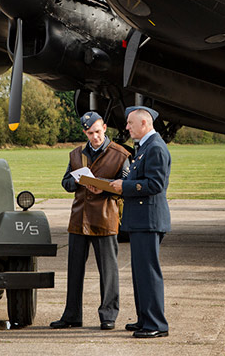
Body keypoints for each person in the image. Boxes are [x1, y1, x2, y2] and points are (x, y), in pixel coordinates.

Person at [50, 111, 130, 331]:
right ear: (85, 132)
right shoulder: (76, 154)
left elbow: (125, 186)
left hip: (105, 218)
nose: (94, 136)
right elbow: (65, 182)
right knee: (74, 271)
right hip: (78, 219)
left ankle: (108, 316)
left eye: (97, 131)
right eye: (90, 133)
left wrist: (102, 184)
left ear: (104, 127)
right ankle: (72, 315)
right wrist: (78, 182)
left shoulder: (121, 154)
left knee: (109, 271)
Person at [109, 106, 171, 338]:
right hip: (140, 220)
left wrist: (123, 186)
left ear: (144, 124)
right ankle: (145, 318)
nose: (126, 127)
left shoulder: (155, 148)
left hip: (149, 220)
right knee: (140, 273)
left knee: (148, 273)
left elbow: (155, 185)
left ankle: (156, 324)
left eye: (130, 123)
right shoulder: (145, 147)